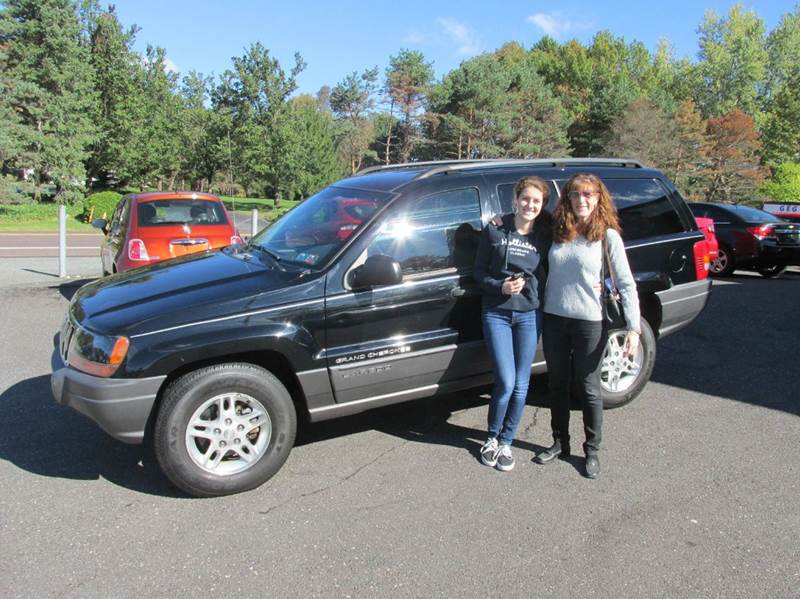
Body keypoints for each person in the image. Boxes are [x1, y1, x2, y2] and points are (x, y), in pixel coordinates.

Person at [535, 173, 640, 479]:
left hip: (590, 322)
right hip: (554, 317)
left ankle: (591, 450)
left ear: (598, 199)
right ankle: (559, 442)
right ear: (567, 199)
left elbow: (626, 283)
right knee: (557, 383)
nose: (582, 200)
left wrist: (633, 328)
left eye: (589, 195)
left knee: (589, 388)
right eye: (576, 194)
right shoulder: (557, 232)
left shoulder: (608, 237)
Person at [474, 176, 552, 471]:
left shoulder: (545, 234)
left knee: (522, 384)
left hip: (530, 314)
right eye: (526, 198)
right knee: (506, 382)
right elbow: (479, 272)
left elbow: (574, 252)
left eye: (536, 201)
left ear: (542, 205)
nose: (530, 205)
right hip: (497, 312)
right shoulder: (495, 229)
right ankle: (491, 437)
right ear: (516, 199)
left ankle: (507, 441)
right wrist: (500, 287)